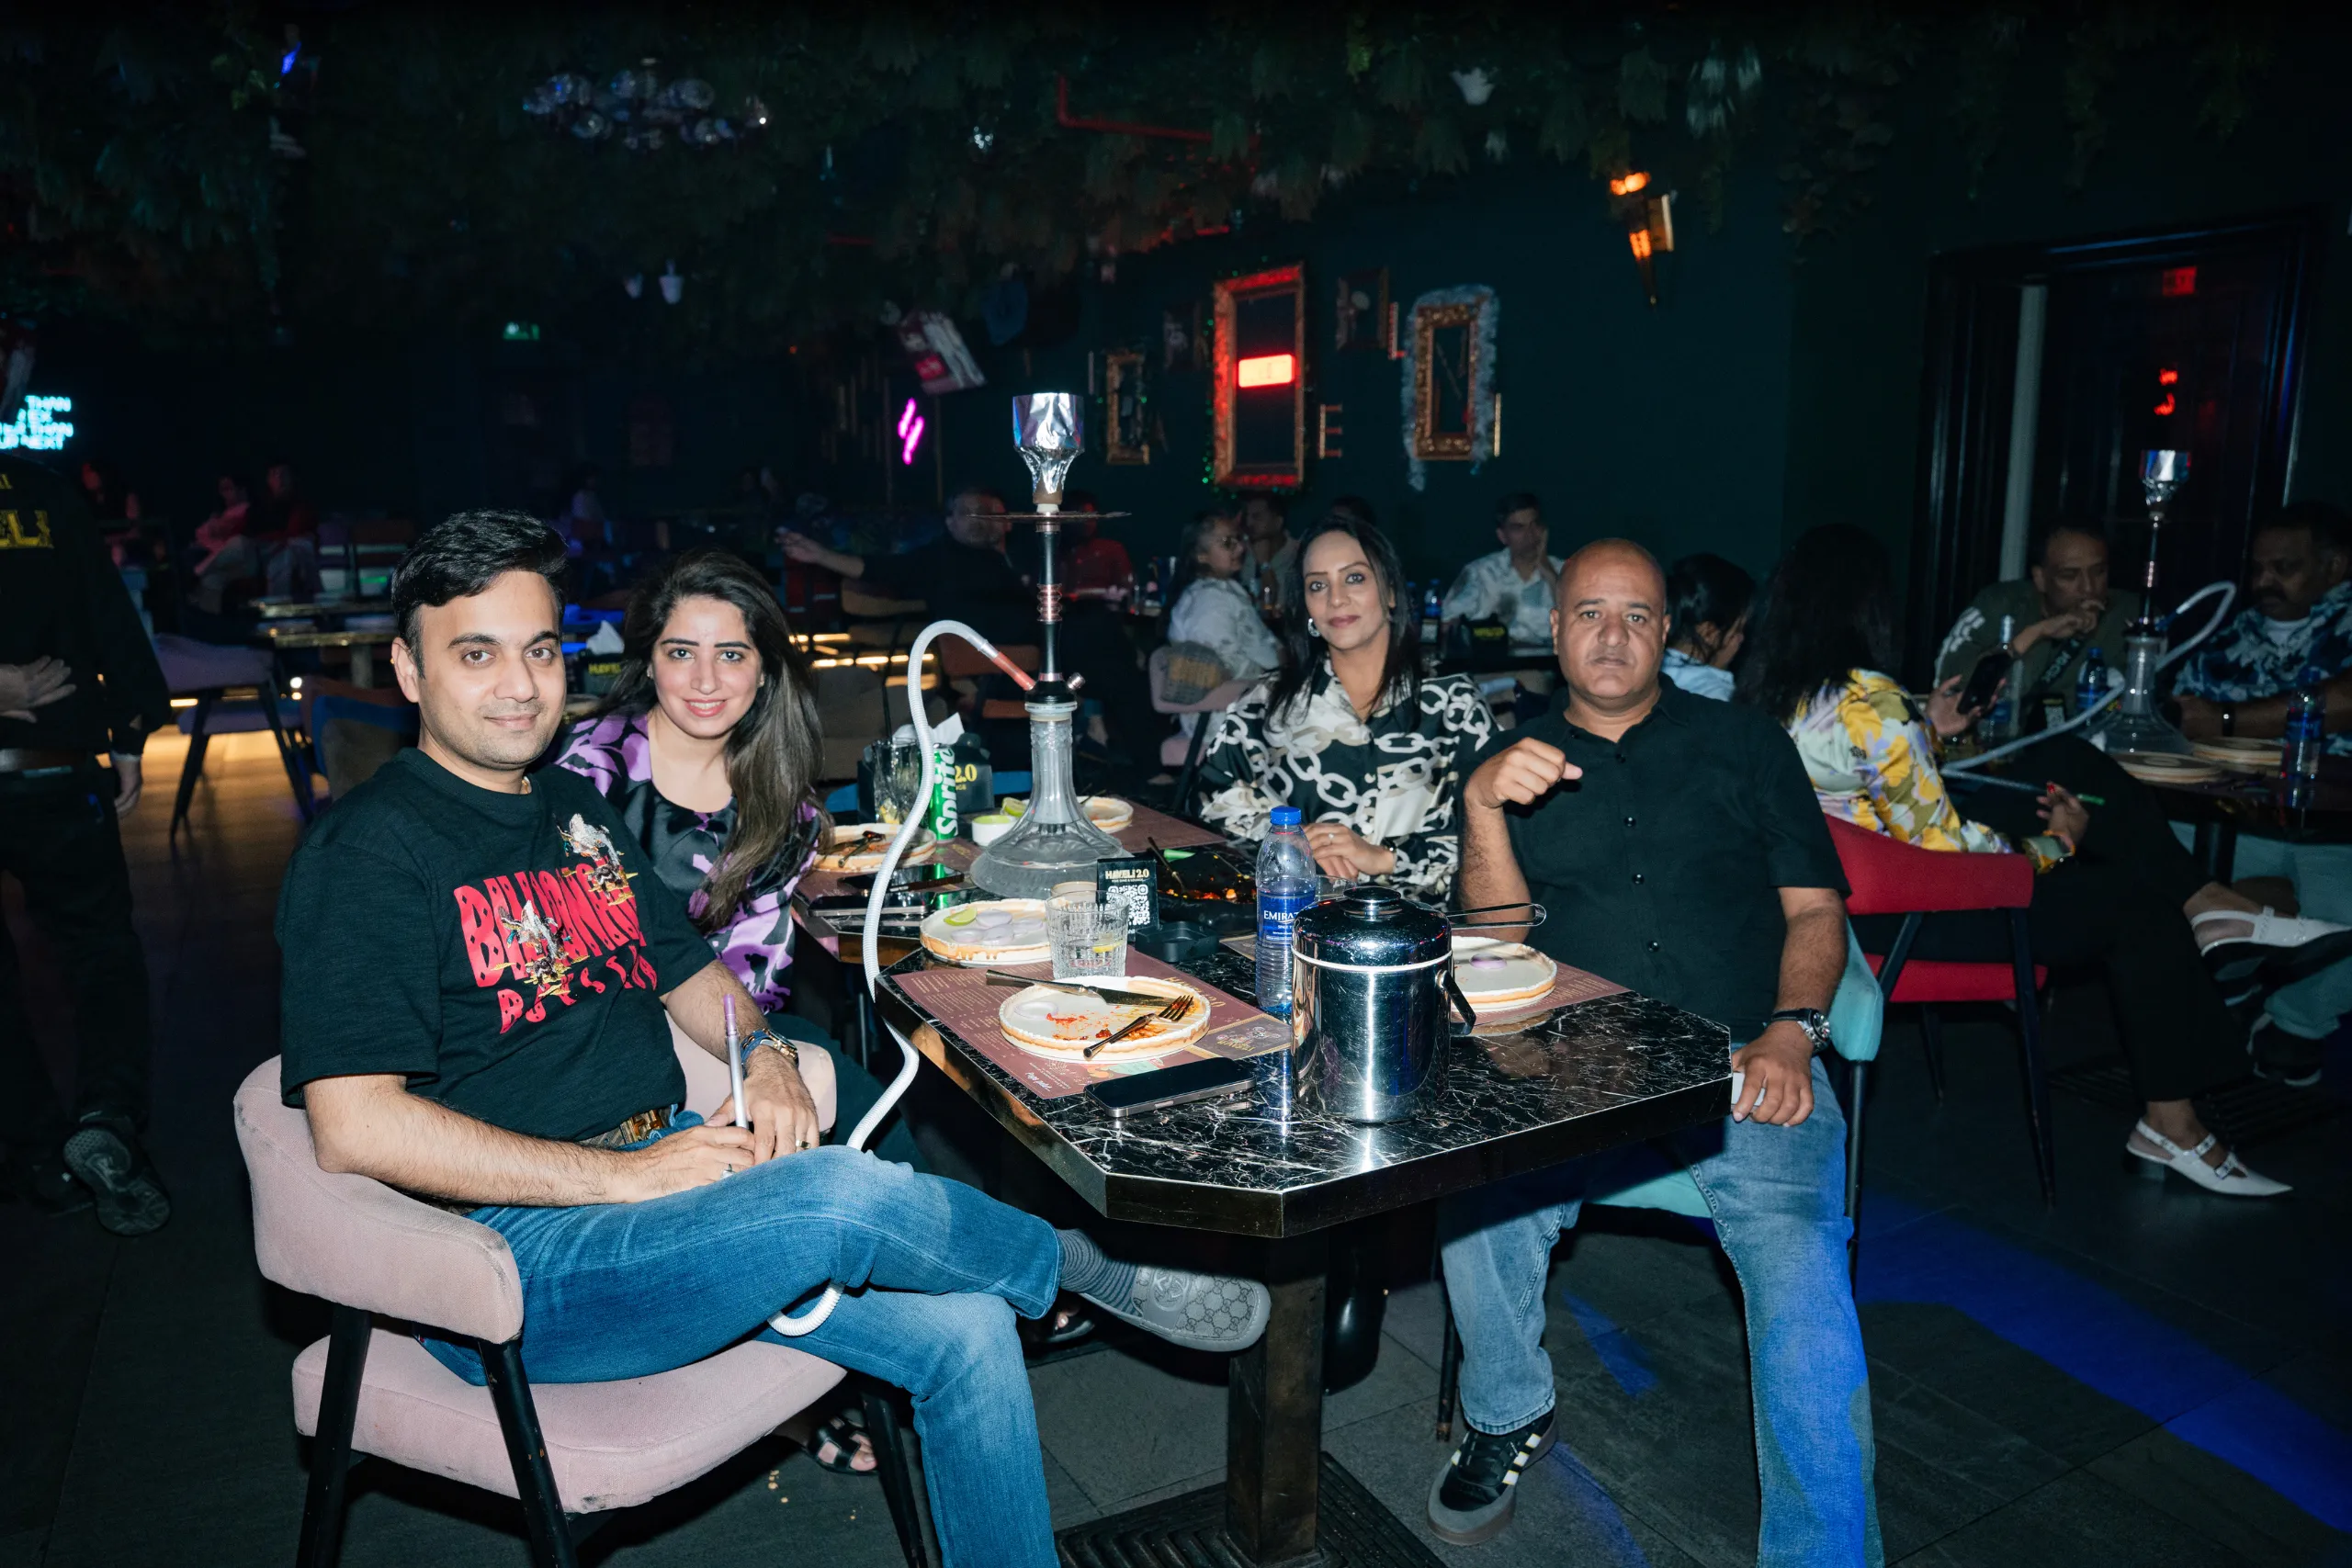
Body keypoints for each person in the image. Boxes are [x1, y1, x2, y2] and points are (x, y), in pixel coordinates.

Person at [276, 511, 1270, 1568]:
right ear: (408, 669)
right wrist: (622, 1179)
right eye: (475, 654)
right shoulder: (368, 855)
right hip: (517, 1260)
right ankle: (1080, 1265)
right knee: (842, 1193)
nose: (519, 685)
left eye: (538, 649)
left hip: (675, 1184)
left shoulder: (570, 809)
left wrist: (763, 1054)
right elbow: (352, 1123)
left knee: (969, 1333)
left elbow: (696, 974)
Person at [1434, 539, 1877, 1558]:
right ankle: (1505, 1412)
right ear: (1554, 630)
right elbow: (1494, 946)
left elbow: (1815, 913)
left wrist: (1791, 1034)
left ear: (1668, 633)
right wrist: (1481, 804)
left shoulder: (1747, 745)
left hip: (1740, 1064)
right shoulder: (1508, 763)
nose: (1612, 634)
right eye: (1590, 612)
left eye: (1636, 615)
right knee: (1468, 1201)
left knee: (1804, 1277)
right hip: (1572, 1069)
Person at [1740, 525, 2348, 1198]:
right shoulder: (1870, 699)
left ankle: (2206, 903)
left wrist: (1929, 730)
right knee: (2135, 908)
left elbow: (1859, 783)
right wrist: (2055, 849)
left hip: (1836, 905)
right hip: (1911, 914)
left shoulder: (1765, 694)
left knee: (2061, 761)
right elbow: (1941, 848)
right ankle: (2174, 1121)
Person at [555, 547, 926, 1473]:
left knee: (861, 1104)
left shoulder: (785, 807)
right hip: (598, 1037)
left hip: (727, 1029)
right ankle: (836, 1370)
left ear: (765, 665)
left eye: (731, 654)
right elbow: (570, 964)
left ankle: (872, 1345)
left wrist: (744, 1064)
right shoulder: (584, 779)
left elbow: (754, 973)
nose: (705, 678)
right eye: (681, 652)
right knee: (845, 1099)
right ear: (649, 658)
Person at [0, 453, 173, 1235]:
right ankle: (105, 1111)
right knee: (100, 948)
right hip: (53, 762)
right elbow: (105, 607)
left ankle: (37, 1153)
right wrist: (129, 728)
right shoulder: (43, 493)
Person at [1192, 518, 1492, 898]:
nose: (1336, 598)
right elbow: (1208, 804)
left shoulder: (1455, 706)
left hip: (1424, 935)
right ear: (1308, 608)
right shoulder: (1267, 704)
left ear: (1391, 593)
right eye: (1318, 585)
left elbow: (1493, 841)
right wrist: (1291, 840)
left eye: (1354, 578)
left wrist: (1386, 858)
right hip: (1299, 930)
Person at [2169, 500, 2352, 1083]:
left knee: (2344, 919)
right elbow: (2181, 712)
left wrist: (2227, 720)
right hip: (2239, 817)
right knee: (2154, 850)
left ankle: (2294, 1026)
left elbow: (2340, 703)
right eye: (2259, 568)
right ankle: (2226, 973)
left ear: (2334, 567)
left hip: (2336, 828)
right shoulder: (2230, 635)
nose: (2265, 581)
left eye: (2286, 567)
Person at [1934, 523, 2142, 716]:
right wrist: (2038, 633)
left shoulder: (2130, 617)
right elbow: (1950, 684)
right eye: (2069, 575)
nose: (2088, 588)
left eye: (2098, 572)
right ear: (2041, 579)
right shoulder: (2001, 605)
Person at [1166, 511, 1279, 734]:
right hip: (1218, 717)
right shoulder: (1209, 602)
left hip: (1238, 703)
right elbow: (1219, 667)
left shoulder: (1225, 589)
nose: (1240, 548)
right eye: (1228, 543)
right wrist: (1279, 667)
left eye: (1239, 540)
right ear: (1201, 555)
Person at [1441, 491, 1563, 651]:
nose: (1530, 535)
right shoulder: (1481, 573)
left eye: (1535, 525)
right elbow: (1445, 625)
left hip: (1547, 667)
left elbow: (1577, 626)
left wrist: (1550, 575)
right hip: (1490, 666)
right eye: (1519, 528)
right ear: (1502, 536)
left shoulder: (1563, 571)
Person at [1661, 551, 1753, 700]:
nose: (1741, 639)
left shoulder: (1648, 676)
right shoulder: (1718, 697)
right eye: (1738, 629)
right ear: (1708, 633)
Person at [1236, 492, 1295, 604]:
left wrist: (1264, 564)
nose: (1249, 523)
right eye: (1247, 517)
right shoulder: (1240, 553)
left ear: (1278, 522)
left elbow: (1273, 606)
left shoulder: (1298, 556)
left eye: (1257, 517)